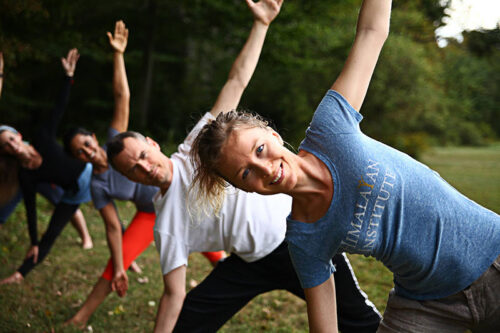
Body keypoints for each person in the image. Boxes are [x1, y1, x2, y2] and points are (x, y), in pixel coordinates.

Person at [190, 0, 500, 332]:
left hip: (492, 253)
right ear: (243, 189)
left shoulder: (330, 128)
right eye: (246, 172)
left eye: (260, 149)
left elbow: (372, 31)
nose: (263, 168)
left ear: (273, 134)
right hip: (426, 304)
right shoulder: (304, 237)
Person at [107, 1, 381, 332]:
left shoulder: (198, 146)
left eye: (141, 155)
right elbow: (172, 294)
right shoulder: (166, 223)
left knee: (360, 321)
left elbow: (236, 81)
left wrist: (261, 25)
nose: (144, 167)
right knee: (188, 320)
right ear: (128, 179)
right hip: (250, 262)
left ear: (152, 144)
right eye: (133, 169)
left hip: (295, 235)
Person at [63, 21, 224, 328]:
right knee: (114, 265)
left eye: (85, 144)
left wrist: (118, 56)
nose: (86, 153)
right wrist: (122, 266)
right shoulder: (98, 185)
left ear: (94, 138)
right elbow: (112, 229)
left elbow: (122, 96)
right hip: (152, 214)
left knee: (221, 259)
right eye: (78, 154)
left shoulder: (118, 143)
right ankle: (80, 317)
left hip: (184, 203)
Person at [0, 49, 95, 285]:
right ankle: (19, 274)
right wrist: (33, 240)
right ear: (5, 153)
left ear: (19, 136)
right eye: (5, 146)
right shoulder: (26, 175)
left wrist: (68, 76)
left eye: (12, 139)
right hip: (74, 195)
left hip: (90, 174)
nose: (12, 145)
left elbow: (58, 108)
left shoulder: (42, 137)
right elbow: (30, 209)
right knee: (49, 235)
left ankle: (128, 258)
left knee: (112, 217)